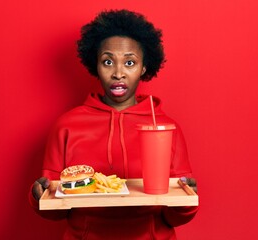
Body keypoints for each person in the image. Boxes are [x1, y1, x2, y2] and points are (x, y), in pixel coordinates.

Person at [29, 9, 198, 239]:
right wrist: (38, 196)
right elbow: (56, 208)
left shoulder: (166, 128)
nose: (118, 73)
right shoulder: (67, 125)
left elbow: (175, 215)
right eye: (108, 61)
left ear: (144, 67)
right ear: (95, 66)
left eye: (130, 62)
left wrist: (186, 200)